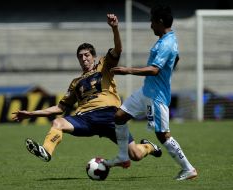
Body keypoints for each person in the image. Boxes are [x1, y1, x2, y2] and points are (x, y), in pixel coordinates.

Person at [12, 14, 162, 166]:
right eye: (80, 57)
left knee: (135, 154)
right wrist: (31, 113)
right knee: (58, 123)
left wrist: (115, 28)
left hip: (109, 116)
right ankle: (46, 151)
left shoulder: (104, 66)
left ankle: (148, 146)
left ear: (94, 57)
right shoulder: (75, 83)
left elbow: (118, 49)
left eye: (87, 55)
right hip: (85, 119)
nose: (84, 59)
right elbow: (59, 108)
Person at [104, 5, 198, 180]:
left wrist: (128, 70)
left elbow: (155, 70)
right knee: (119, 117)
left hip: (156, 96)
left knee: (162, 134)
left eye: (152, 22)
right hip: (146, 91)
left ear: (160, 21)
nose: (150, 26)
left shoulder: (167, 43)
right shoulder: (168, 39)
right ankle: (124, 155)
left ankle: (188, 169)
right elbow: (176, 58)